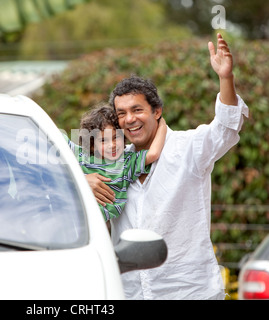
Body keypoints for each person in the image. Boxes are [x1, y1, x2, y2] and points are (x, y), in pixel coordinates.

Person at [86, 33, 249, 299]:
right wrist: (83, 182)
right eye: (122, 114)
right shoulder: (111, 164)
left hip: (190, 293)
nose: (129, 119)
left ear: (157, 111)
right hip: (131, 294)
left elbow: (227, 127)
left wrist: (226, 78)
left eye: (137, 110)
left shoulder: (189, 148)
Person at [65, 103, 167, 222]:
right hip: (71, 210)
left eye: (116, 137)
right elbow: (54, 138)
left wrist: (162, 125)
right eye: (103, 140)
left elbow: (153, 154)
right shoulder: (82, 154)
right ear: (92, 146)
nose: (112, 145)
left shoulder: (127, 162)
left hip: (95, 221)